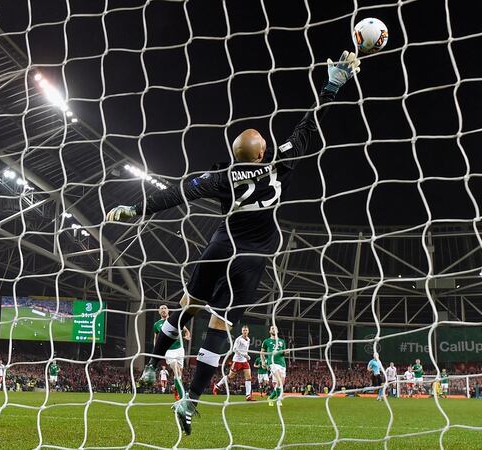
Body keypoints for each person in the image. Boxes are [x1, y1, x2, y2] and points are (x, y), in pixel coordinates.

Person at [106, 50, 361, 434]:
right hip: (251, 257)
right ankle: (190, 402)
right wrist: (333, 85)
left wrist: (135, 209)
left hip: (221, 245)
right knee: (220, 326)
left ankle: (154, 363)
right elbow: (309, 127)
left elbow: (177, 193)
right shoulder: (281, 163)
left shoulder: (223, 176)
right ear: (262, 151)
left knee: (187, 305)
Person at [153, 305, 190, 400]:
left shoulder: (174, 320)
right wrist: (156, 350)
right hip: (168, 350)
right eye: (161, 309)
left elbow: (186, 331)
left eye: (165, 308)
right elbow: (156, 339)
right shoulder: (157, 324)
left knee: (179, 373)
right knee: (175, 369)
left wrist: (187, 335)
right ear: (159, 312)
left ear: (168, 310)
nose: (163, 310)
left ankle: (176, 388)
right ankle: (183, 397)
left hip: (180, 349)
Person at [213, 324, 255, 401]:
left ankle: (248, 396)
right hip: (237, 361)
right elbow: (234, 349)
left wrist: (246, 355)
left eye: (246, 330)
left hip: (244, 361)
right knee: (230, 376)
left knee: (248, 377)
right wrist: (244, 355)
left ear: (248, 331)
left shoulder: (248, 339)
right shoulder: (238, 339)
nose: (245, 332)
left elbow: (245, 350)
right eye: (243, 330)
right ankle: (217, 386)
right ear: (241, 331)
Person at [261, 325, 287, 407]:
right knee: (279, 381)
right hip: (272, 363)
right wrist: (263, 362)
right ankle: (279, 400)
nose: (273, 329)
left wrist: (286, 352)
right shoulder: (266, 341)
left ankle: (271, 397)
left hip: (282, 364)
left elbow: (283, 352)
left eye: (275, 328)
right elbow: (262, 352)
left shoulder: (282, 341)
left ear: (277, 331)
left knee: (280, 384)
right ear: (270, 331)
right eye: (272, 328)